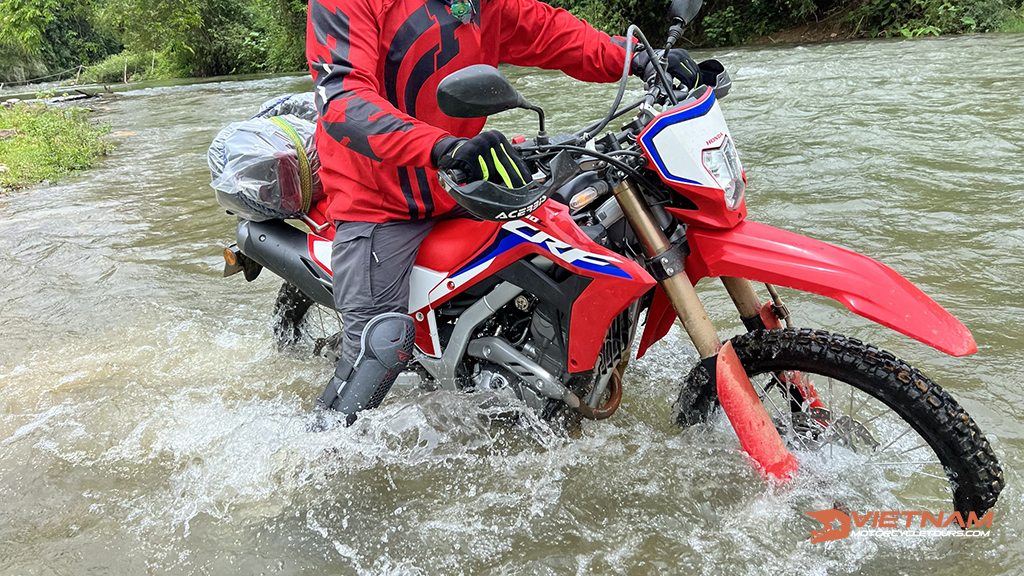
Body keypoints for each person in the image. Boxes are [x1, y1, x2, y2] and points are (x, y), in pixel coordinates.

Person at [307, 0, 701, 424]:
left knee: (583, 225)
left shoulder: (483, 3)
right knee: (381, 348)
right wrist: (443, 148)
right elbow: (343, 100)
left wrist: (637, 58)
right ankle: (316, 457)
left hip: (466, 182)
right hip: (380, 201)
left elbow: (550, 31)